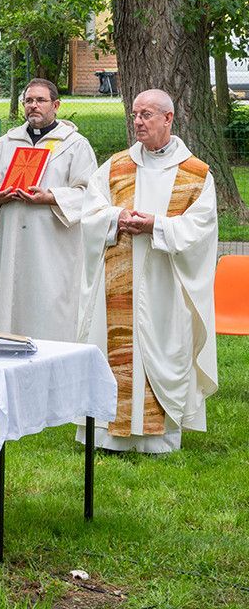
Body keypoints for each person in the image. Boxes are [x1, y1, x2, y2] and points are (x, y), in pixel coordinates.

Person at [76, 89, 218, 454]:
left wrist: (157, 225)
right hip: (117, 282)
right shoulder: (115, 166)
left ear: (168, 118)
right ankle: (107, 435)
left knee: (164, 349)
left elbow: (201, 230)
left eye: (146, 115)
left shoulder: (196, 173)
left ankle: (158, 439)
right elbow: (89, 215)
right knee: (113, 350)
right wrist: (115, 217)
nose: (137, 121)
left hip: (164, 284)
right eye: (135, 114)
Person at [0, 78, 97, 341]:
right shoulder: (7, 142)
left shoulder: (74, 144)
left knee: (49, 307)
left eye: (40, 100)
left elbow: (90, 195)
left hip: (53, 248)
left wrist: (50, 197)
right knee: (11, 305)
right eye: (28, 100)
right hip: (13, 241)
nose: (33, 106)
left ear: (56, 105)